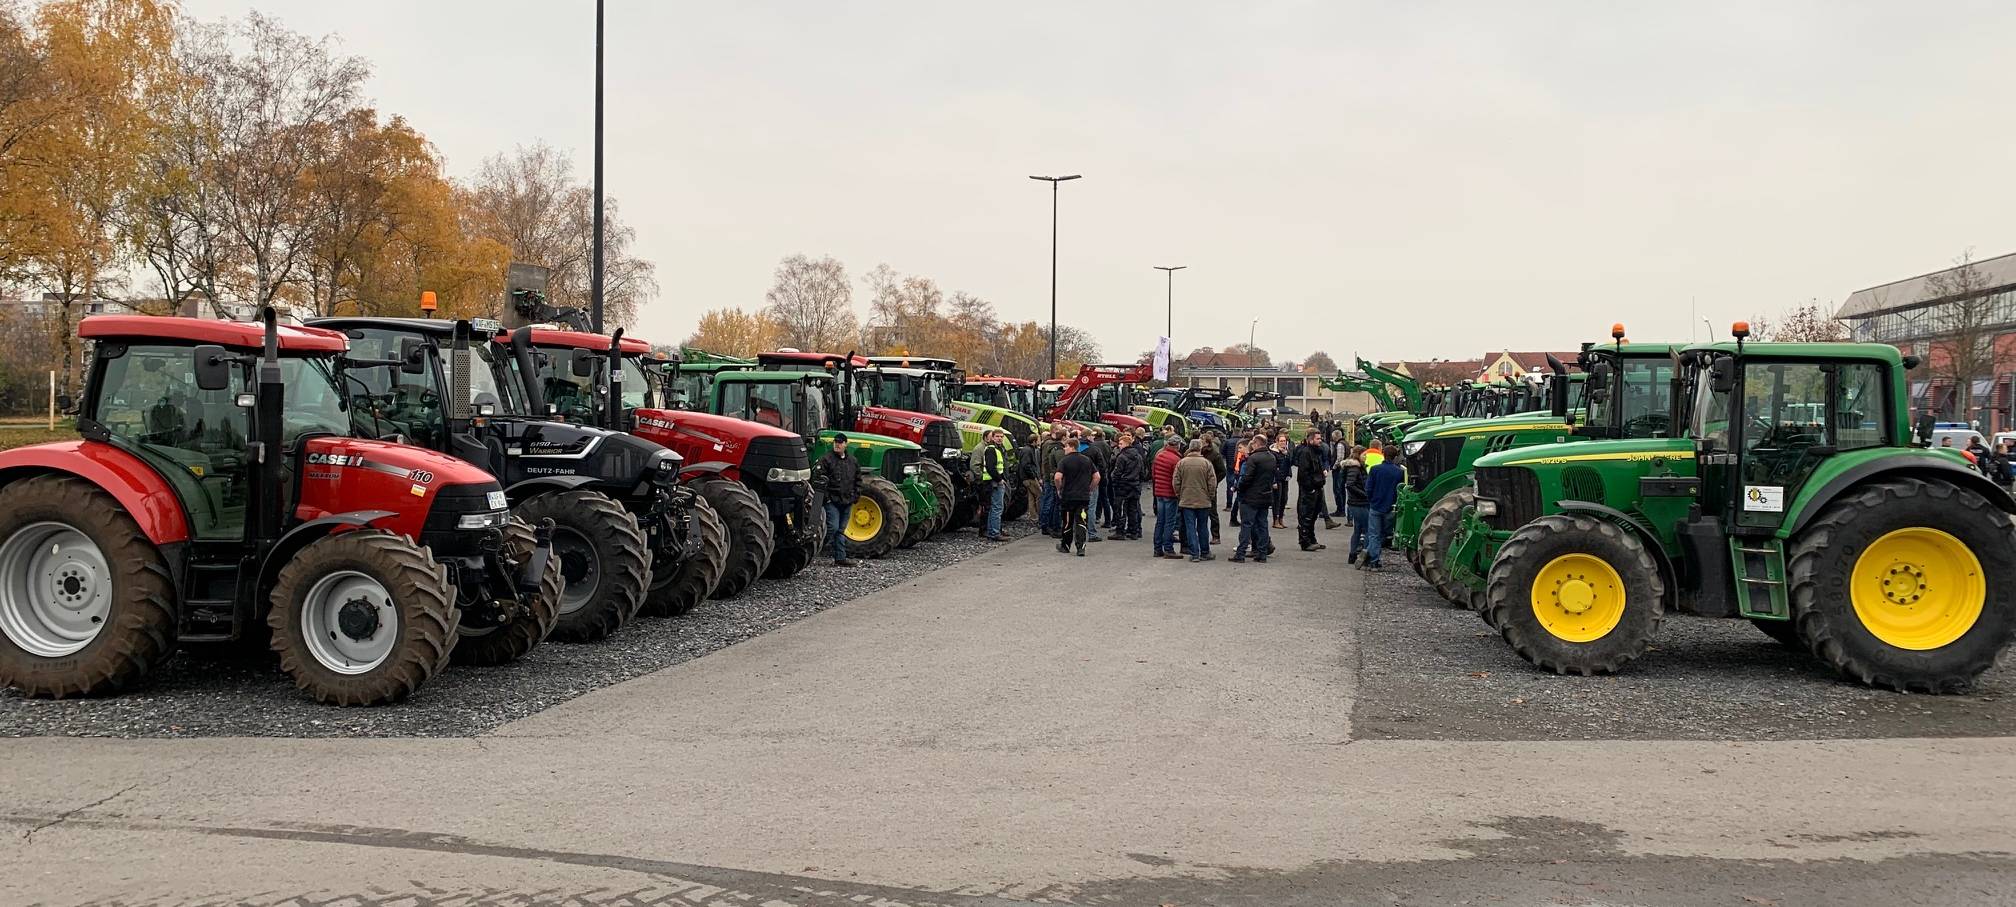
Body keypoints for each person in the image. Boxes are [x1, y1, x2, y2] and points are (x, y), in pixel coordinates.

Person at [1231, 434, 1278, 563]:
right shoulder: (1272, 457)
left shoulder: (1253, 459)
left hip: (1251, 497)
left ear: (1256, 443)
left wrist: (1239, 487)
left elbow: (1247, 478)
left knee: (1247, 525)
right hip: (1265, 495)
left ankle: (1240, 553)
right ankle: (1262, 553)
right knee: (1262, 525)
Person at [817, 434, 862, 567]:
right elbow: (819, 480)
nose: (837, 444)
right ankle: (814, 549)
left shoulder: (852, 461)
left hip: (847, 501)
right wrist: (827, 499)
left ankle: (840, 557)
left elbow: (858, 480)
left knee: (840, 530)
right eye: (835, 442)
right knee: (833, 527)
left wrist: (855, 496)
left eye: (840, 442)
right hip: (833, 501)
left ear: (846, 444)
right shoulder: (826, 459)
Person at [1173, 439, 1218, 561]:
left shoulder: (1182, 463)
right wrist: (1211, 495)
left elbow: (1176, 481)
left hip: (1186, 499)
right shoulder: (1206, 463)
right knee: (1202, 526)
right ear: (1200, 448)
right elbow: (1212, 482)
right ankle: (1205, 551)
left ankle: (1194, 553)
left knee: (1190, 527)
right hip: (1203, 500)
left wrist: (1179, 494)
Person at [1360, 449, 1405, 569]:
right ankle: (1371, 555)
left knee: (1374, 534)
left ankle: (1374, 559)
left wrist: (1371, 500)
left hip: (1376, 505)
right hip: (1391, 507)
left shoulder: (1375, 469)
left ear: (1384, 455)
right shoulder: (1399, 472)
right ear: (1395, 457)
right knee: (1384, 534)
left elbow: (1368, 488)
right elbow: (1401, 491)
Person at [1054, 438, 1100, 556]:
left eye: (1066, 446)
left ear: (1071, 446)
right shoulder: (1087, 460)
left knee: (1067, 522)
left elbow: (1057, 477)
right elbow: (1097, 477)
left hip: (1068, 497)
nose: (1064, 448)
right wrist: (1090, 488)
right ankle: (1081, 547)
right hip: (1083, 497)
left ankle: (1065, 545)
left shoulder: (1064, 461)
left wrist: (1059, 489)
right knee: (1081, 521)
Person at [1292, 430, 1328, 551]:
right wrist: (1310, 488)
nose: (1320, 441)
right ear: (1311, 440)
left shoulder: (1317, 452)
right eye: (1318, 439)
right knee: (1306, 515)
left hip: (1317, 487)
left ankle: (1312, 539)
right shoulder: (1306, 453)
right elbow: (1303, 474)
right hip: (1309, 489)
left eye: (1320, 438)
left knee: (1313, 515)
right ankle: (1305, 542)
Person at [1151, 430, 1184, 559]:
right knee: (1169, 522)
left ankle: (1157, 548)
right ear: (1177, 445)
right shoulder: (1175, 459)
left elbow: (1153, 474)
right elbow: (1177, 479)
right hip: (1170, 493)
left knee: (1160, 521)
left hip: (1159, 492)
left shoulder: (1159, 456)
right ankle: (1168, 549)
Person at [978, 429, 1010, 541]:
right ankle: (994, 532)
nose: (1000, 438)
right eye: (997, 436)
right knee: (996, 508)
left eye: (1001, 436)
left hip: (994, 482)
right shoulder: (992, 450)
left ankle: (994, 531)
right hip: (994, 483)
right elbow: (991, 467)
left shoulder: (996, 449)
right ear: (992, 437)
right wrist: (999, 479)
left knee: (995, 508)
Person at [1200, 429, 1227, 544]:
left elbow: (1222, 471)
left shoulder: (1215, 455)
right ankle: (1201, 535)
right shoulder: (1197, 453)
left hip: (1210, 487)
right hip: (1198, 487)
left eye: (1202, 441)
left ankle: (1216, 536)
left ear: (1207, 442)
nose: (1200, 443)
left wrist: (1214, 482)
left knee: (1212, 513)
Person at [1038, 429, 1065, 536]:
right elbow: (1057, 466)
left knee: (1051, 502)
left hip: (1049, 477)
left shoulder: (1050, 446)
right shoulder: (1057, 450)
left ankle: (1047, 525)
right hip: (1051, 478)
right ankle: (1048, 525)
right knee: (1051, 503)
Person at [1015, 432, 1042, 522]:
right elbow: (1026, 465)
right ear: (1034, 441)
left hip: (1025, 477)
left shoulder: (1026, 449)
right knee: (1039, 495)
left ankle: (1033, 516)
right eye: (1038, 440)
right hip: (1029, 477)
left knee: (1031, 497)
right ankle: (1038, 515)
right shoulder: (1028, 450)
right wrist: (1033, 475)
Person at [1270, 433, 1292, 529]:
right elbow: (1272, 468)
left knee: (1284, 499)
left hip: (1285, 478)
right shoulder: (1273, 453)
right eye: (1281, 441)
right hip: (1277, 479)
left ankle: (1281, 519)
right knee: (1276, 500)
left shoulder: (1286, 452)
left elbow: (1289, 465)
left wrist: (1289, 474)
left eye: (1284, 441)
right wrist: (1274, 481)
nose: (1283, 442)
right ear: (1277, 442)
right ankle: (1275, 520)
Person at [1329, 430, 1352, 518]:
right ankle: (1341, 508)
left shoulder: (1339, 445)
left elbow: (1339, 458)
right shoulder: (1345, 443)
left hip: (1339, 470)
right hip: (1344, 469)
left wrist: (1334, 467)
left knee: (1337, 489)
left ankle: (1340, 509)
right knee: (1341, 489)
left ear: (1335, 437)